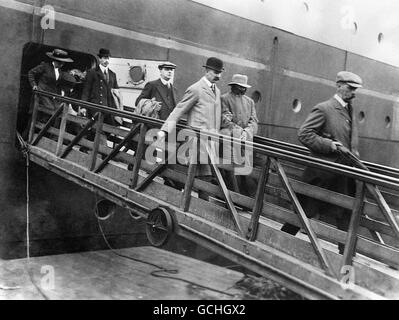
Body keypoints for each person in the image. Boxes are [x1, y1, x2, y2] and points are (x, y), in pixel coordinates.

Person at [280, 71, 362, 254]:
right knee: (303, 213)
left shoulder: (350, 110)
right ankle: (276, 242)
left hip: (343, 174)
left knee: (345, 215)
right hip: (322, 174)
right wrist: (330, 145)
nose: (354, 93)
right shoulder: (324, 108)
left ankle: (346, 258)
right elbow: (304, 134)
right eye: (350, 88)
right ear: (339, 86)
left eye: (356, 89)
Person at [157, 57, 224, 199]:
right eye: (215, 72)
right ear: (207, 71)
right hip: (192, 142)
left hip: (209, 144)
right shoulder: (196, 89)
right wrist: (164, 130)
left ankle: (201, 213)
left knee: (205, 181)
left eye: (220, 72)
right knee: (179, 179)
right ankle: (164, 200)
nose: (218, 75)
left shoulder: (217, 91)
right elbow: (178, 110)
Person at [220, 74, 259, 196]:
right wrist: (238, 131)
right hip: (230, 142)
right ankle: (231, 200)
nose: (243, 89)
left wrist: (247, 132)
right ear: (233, 86)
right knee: (230, 172)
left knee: (246, 173)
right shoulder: (224, 99)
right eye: (240, 86)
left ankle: (245, 202)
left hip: (245, 143)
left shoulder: (250, 102)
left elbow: (254, 121)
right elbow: (224, 120)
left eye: (244, 87)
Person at [81, 48, 121, 126]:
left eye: (108, 58)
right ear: (99, 59)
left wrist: (117, 111)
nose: (107, 61)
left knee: (108, 130)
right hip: (94, 108)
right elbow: (86, 91)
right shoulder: (92, 72)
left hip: (108, 110)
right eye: (105, 58)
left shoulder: (112, 74)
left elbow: (116, 94)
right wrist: (83, 107)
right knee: (93, 130)